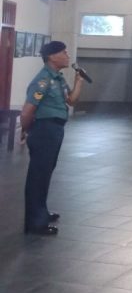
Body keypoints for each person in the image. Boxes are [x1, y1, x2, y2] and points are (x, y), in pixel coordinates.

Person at [20, 41, 85, 235]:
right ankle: (35, 223)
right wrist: (26, 130)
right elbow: (27, 111)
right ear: (52, 57)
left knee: (45, 174)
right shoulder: (43, 80)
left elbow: (71, 100)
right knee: (38, 176)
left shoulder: (57, 78)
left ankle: (41, 212)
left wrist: (79, 82)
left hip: (55, 129)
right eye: (64, 52)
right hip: (43, 130)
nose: (67, 56)